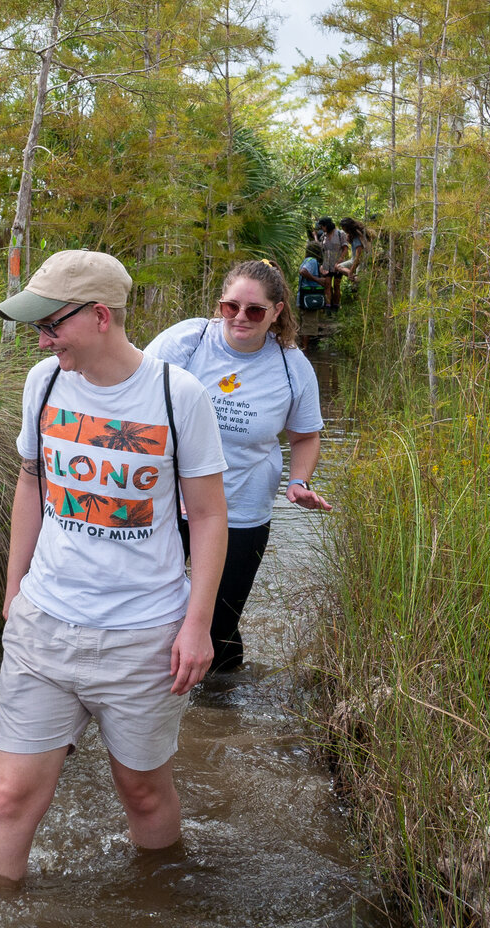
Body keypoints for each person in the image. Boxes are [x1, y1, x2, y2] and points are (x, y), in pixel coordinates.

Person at [0, 249, 229, 883]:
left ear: (100, 317)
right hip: (45, 624)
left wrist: (198, 627)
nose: (41, 337)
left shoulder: (178, 395)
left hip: (144, 636)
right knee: (7, 797)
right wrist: (13, 595)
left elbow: (210, 516)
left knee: (141, 791)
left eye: (51, 323)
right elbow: (31, 484)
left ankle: (164, 899)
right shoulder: (45, 382)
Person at [145, 259, 333, 673]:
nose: (240, 318)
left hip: (241, 511)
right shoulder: (186, 342)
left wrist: (298, 481)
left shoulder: (291, 366)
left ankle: (219, 715)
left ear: (277, 311)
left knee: (218, 625)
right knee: (151, 616)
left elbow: (305, 437)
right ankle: (156, 702)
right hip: (165, 505)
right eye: (231, 307)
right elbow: (136, 402)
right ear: (220, 305)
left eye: (254, 310)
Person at [314, 217, 349, 311]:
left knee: (337, 285)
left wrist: (341, 259)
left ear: (327, 225)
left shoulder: (340, 233)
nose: (322, 228)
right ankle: (328, 306)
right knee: (327, 285)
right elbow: (320, 248)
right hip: (327, 263)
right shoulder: (323, 236)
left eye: (322, 226)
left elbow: (345, 248)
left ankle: (336, 306)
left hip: (338, 264)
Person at [338, 217, 368, 283]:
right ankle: (354, 276)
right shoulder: (352, 235)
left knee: (359, 280)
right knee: (339, 267)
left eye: (343, 227)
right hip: (354, 259)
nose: (342, 229)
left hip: (360, 261)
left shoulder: (356, 237)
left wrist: (351, 271)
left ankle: (356, 278)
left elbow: (359, 256)